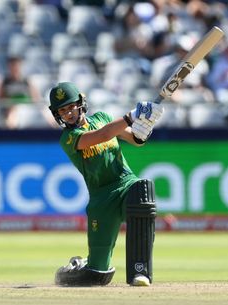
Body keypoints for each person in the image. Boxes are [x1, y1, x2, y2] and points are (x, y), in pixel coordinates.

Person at [48, 82, 163, 287]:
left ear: (81, 103)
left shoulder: (102, 118)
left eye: (71, 106)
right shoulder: (68, 138)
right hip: (101, 199)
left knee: (142, 191)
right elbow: (102, 136)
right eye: (63, 110)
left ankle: (140, 271)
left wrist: (144, 127)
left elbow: (136, 140)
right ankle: (76, 268)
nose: (68, 113)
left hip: (125, 183)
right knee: (96, 275)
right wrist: (132, 115)